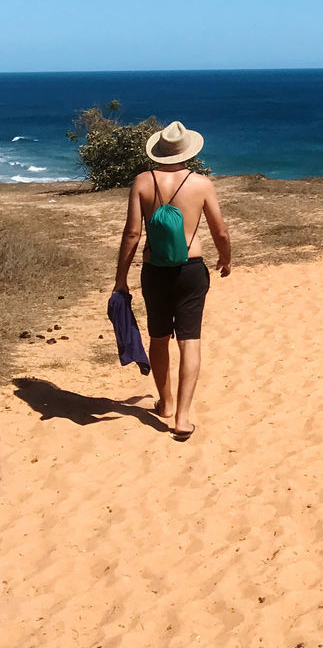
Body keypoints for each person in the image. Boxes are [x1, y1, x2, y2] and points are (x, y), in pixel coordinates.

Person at [113, 120, 232, 440]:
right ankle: (181, 417)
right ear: (188, 150)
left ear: (159, 151)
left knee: (159, 336)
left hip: (154, 271)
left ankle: (164, 403)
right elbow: (220, 230)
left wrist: (120, 279)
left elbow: (132, 234)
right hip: (191, 271)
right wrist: (226, 258)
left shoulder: (142, 181)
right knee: (189, 340)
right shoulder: (202, 184)